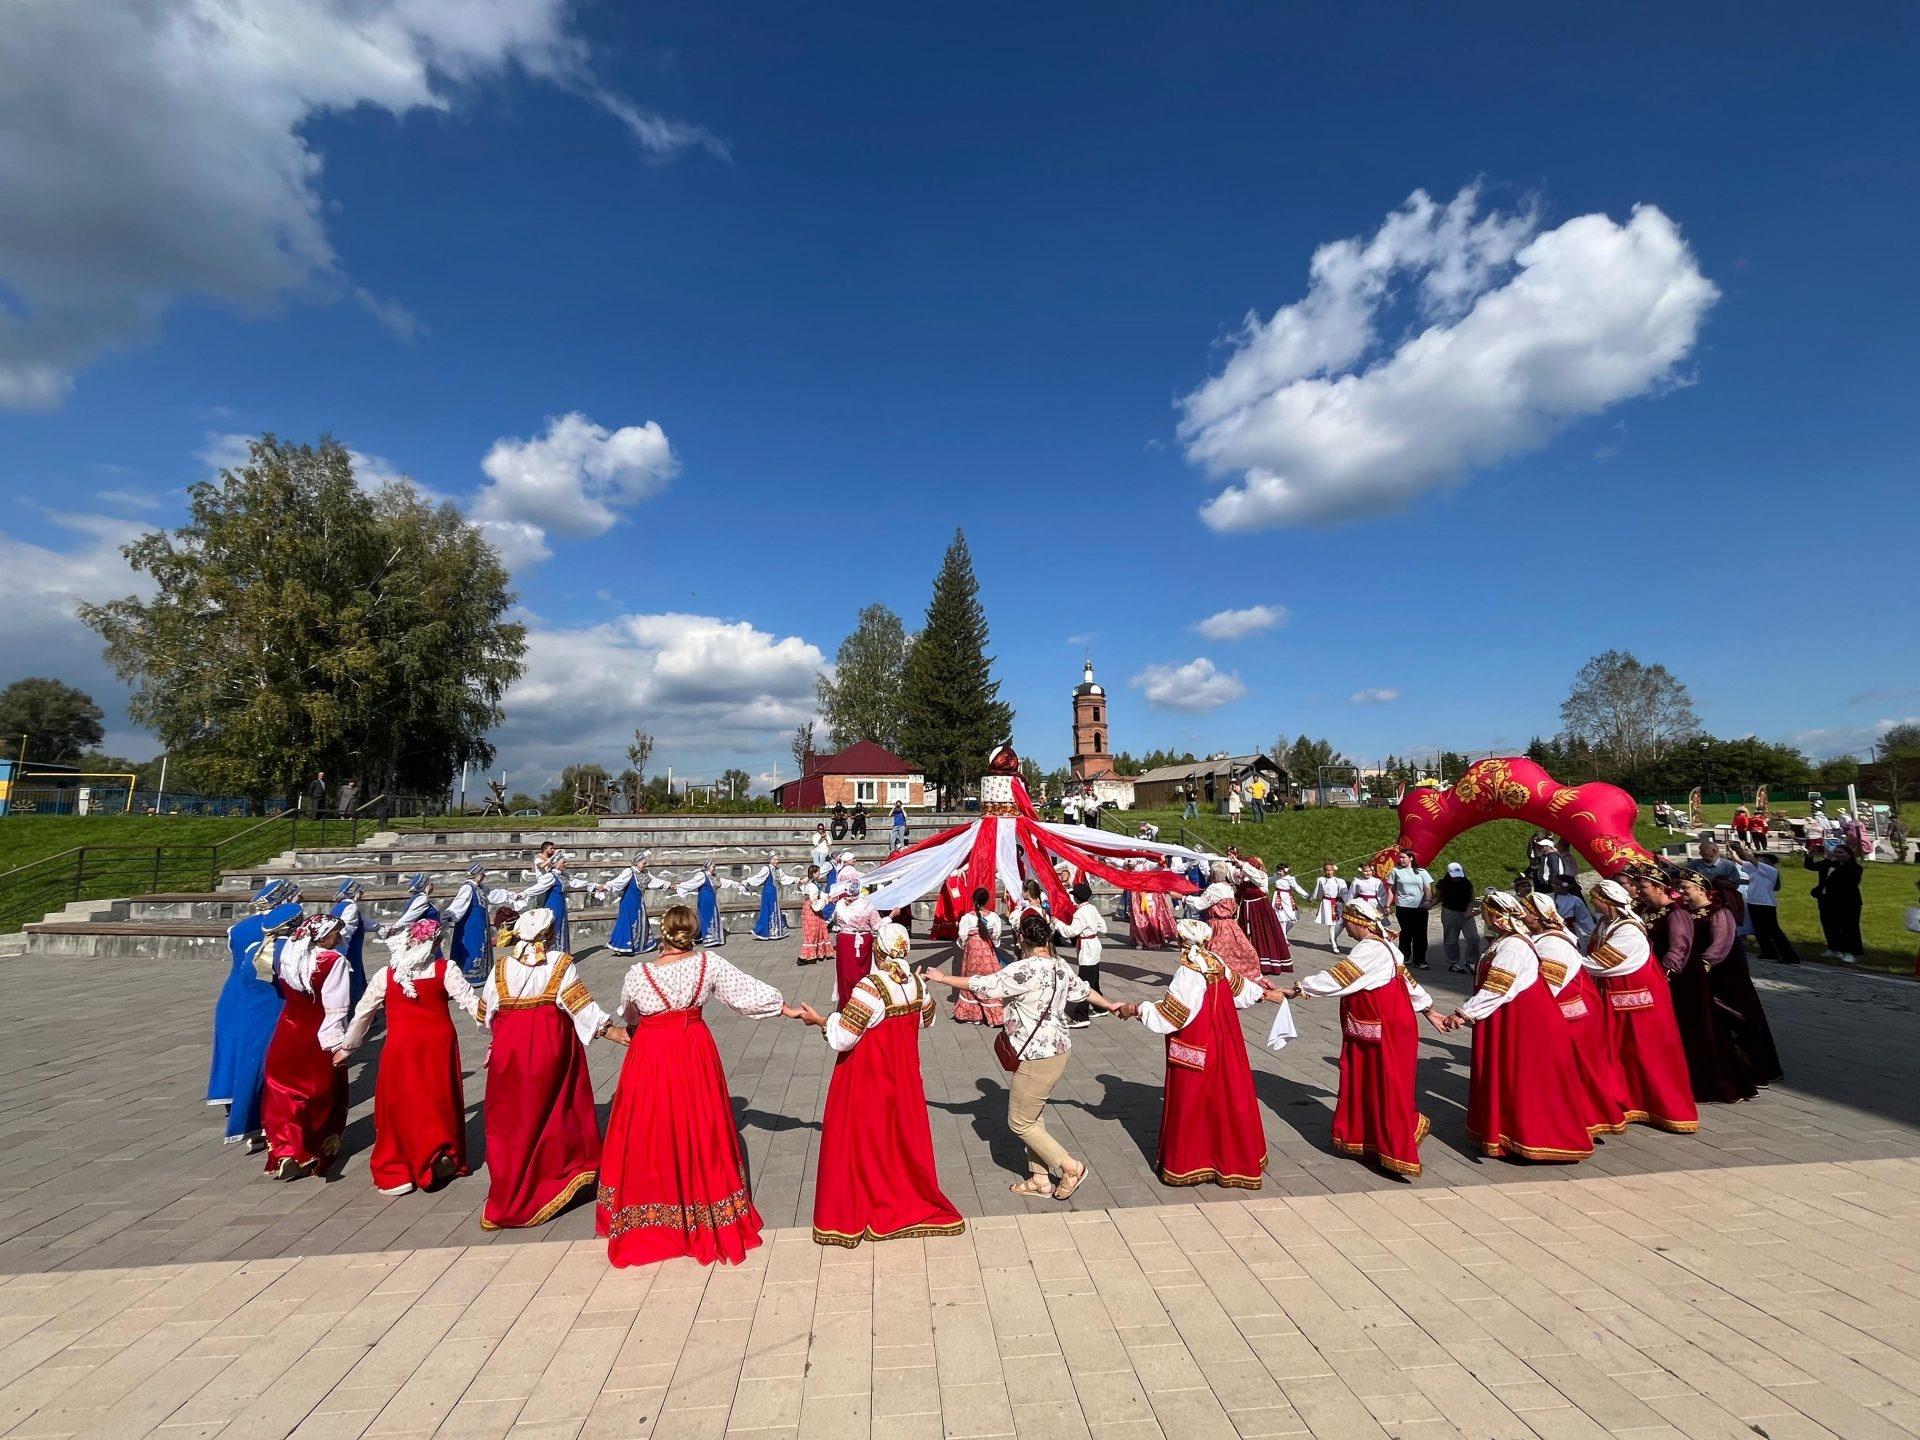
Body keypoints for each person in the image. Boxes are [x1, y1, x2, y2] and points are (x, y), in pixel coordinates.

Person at [598, 905, 815, 1266]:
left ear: (663, 934)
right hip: (692, 1048)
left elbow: (631, 1014)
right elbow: (745, 991)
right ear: (692, 932)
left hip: (649, 1053)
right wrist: (786, 1009)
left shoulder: (638, 973)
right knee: (697, 1123)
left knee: (650, 1127)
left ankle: (652, 1218)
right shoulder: (707, 964)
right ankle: (705, 1209)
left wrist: (629, 1029)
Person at [926, 911, 1108, 1199]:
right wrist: (1112, 1004)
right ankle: (1039, 1179)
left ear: (1022, 938)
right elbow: (1084, 992)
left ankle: (1070, 1167)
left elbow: (982, 985)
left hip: (1037, 1055)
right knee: (1033, 1117)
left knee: (1019, 1122)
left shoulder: (1023, 969)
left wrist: (943, 977)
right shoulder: (1060, 966)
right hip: (1058, 1049)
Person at [810, 922, 967, 1247]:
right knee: (901, 1140)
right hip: (906, 1077)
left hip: (869, 1077)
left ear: (878, 951)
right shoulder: (916, 984)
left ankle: (872, 1201)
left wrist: (822, 1021)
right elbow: (929, 1019)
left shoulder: (871, 988)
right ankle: (904, 1196)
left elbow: (843, 1039)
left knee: (865, 1142)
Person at [479, 908, 623, 1229]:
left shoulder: (501, 967)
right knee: (553, 1114)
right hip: (547, 1049)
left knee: (509, 1121)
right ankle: (552, 1180)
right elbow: (579, 1006)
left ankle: (506, 1194)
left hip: (508, 1054)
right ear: (549, 933)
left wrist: (498, 1040)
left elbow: (485, 1015)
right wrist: (611, 1031)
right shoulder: (559, 964)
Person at [1287, 899, 1449, 1178]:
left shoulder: (1370, 950)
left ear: (1357, 922)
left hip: (1382, 1030)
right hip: (1383, 1028)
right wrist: (1429, 1010)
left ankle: (1398, 1143)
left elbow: (1339, 978)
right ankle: (1377, 1139)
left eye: (1346, 922)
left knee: (1384, 1085)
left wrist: (1301, 988)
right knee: (1375, 1084)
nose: (1345, 928)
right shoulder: (1386, 946)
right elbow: (1409, 982)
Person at [1114, 918, 1278, 1189]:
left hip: (1195, 1047)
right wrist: (1265, 994)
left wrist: (1135, 1009)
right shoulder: (1214, 961)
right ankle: (1231, 1159)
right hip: (1222, 1044)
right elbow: (1239, 987)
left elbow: (1172, 1015)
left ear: (1180, 941)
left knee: (1192, 1103)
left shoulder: (1189, 971)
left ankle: (1191, 1162)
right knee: (1225, 1098)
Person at [340, 918, 481, 1195]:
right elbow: (470, 1002)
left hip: (401, 1046)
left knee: (400, 1101)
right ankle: (439, 1152)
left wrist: (348, 1046)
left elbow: (364, 1013)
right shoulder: (445, 969)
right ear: (436, 943)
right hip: (437, 1045)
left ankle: (399, 1169)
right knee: (438, 1098)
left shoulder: (386, 974)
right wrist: (495, 1028)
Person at [1453, 892, 1595, 1162]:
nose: (1482, 916)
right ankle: (1507, 1135)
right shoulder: (1508, 942)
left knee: (1525, 1078)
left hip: (1524, 1021)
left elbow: (1499, 987)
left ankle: (1537, 1138)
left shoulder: (1516, 946)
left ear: (1495, 916)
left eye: (1484, 912)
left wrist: (1463, 1013)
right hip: (1509, 1018)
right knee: (1510, 1077)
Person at [1583, 879, 1699, 1133]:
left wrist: (1570, 962)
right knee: (1619, 1050)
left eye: (1595, 898)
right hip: (1615, 996)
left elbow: (1604, 962)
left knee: (1645, 1051)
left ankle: (1663, 1106)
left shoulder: (1628, 930)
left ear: (1607, 900)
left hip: (1637, 999)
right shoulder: (1606, 923)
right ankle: (1624, 1099)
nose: (1592, 902)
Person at [1520, 894, 1629, 1137]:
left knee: (1576, 1069)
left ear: (1538, 916)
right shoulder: (1541, 937)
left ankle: (1584, 1120)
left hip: (1571, 1015)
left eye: (1525, 912)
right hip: (1567, 1011)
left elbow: (1548, 984)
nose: (1520, 916)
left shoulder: (1553, 944)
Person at [208, 879, 305, 1150]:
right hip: (269, 998)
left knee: (236, 1053)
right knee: (263, 1057)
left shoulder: (237, 929)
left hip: (234, 996)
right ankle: (259, 1120)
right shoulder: (285, 931)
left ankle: (237, 1107)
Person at [259, 914, 353, 1180]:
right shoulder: (334, 962)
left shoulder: (288, 954)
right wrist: (338, 1044)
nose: (340, 938)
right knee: (317, 1094)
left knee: (282, 1091)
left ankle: (285, 1150)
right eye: (336, 933)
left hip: (287, 1032)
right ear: (322, 936)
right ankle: (308, 1151)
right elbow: (335, 1007)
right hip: (316, 1035)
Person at [1052, 880, 1107, 1027]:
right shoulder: (1092, 909)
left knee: (1084, 981)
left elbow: (1071, 932)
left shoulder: (1080, 913)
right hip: (1094, 943)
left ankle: (1081, 1016)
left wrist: (1057, 923)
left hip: (1087, 946)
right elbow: (1103, 926)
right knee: (1093, 975)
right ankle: (1100, 1006)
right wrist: (1092, 930)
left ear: (1076, 897)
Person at [1196, 864, 1262, 982]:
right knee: (1238, 950)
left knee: (1215, 953)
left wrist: (1183, 898)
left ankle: (1215, 978)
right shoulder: (1228, 886)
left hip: (1217, 925)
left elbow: (1200, 904)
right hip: (1230, 925)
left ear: (1213, 874)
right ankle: (1236, 976)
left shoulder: (1214, 888)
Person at [951, 888, 1006, 1024]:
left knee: (971, 981)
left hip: (972, 955)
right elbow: (996, 937)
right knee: (991, 981)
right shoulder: (994, 917)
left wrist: (968, 945)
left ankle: (973, 1015)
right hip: (988, 954)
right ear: (987, 900)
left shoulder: (967, 918)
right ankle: (994, 1017)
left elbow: (962, 937)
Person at [1805, 844, 1864, 963]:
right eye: (1836, 852)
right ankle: (1833, 948)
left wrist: (1836, 865)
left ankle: (1850, 952)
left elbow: (1849, 881)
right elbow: (1811, 866)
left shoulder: (1855, 868)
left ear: (1849, 854)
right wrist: (1809, 856)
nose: (1837, 855)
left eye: (1841, 853)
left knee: (1849, 927)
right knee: (1829, 925)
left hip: (1847, 901)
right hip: (1826, 899)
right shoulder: (1827, 863)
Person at [605, 852, 668, 956]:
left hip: (639, 903)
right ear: (637, 863)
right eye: (644, 862)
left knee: (640, 923)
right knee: (626, 923)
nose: (645, 864)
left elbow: (653, 881)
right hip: (628, 903)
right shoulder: (629, 872)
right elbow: (618, 882)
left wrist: (667, 884)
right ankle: (622, 946)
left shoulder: (644, 873)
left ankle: (638, 946)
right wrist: (606, 886)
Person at [1742, 849, 1798, 963]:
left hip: (1766, 903)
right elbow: (1742, 862)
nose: (1758, 859)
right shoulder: (1756, 870)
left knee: (1773, 930)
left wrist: (1744, 849)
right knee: (1759, 930)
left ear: (1767, 861)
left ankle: (1789, 956)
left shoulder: (1771, 870)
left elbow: (1750, 859)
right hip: (1753, 902)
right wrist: (1732, 852)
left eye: (1761, 858)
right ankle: (1769, 952)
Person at [831, 882, 881, 1006]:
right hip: (862, 941)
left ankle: (846, 1002)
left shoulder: (840, 904)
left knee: (845, 973)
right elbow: (877, 925)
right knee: (862, 971)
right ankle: (863, 1001)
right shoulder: (867, 905)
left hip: (844, 940)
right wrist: (890, 916)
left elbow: (833, 919)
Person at [443, 861, 493, 983]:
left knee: (480, 947)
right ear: (478, 875)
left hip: (480, 925)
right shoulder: (467, 888)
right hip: (470, 925)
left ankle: (480, 975)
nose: (484, 876)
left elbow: (494, 895)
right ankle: (468, 977)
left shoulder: (480, 888)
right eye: (483, 874)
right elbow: (460, 903)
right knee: (472, 948)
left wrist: (513, 896)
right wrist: (450, 914)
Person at [1386, 849, 1434, 970]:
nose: (1400, 860)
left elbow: (1427, 888)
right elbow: (1391, 890)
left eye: (1403, 857)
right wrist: (1386, 906)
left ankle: (1419, 960)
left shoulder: (1422, 872)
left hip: (1420, 907)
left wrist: (1428, 900)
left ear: (1411, 858)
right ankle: (1404, 956)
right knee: (1406, 932)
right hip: (1403, 906)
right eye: (1400, 858)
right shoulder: (1395, 871)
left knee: (1420, 934)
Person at [675, 860, 736, 947]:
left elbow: (723, 882)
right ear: (708, 867)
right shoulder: (702, 875)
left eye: (714, 867)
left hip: (711, 900)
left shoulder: (713, 877)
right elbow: (692, 883)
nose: (714, 868)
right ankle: (708, 937)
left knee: (710, 916)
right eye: (713, 867)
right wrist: (680, 886)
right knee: (706, 917)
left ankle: (707, 936)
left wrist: (736, 884)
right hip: (705, 899)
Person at [328, 879, 370, 1002]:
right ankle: (353, 1013)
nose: (362, 895)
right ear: (356, 893)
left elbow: (364, 923)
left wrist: (381, 928)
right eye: (361, 892)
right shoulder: (351, 907)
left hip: (350, 950)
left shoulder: (338, 907)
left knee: (357, 978)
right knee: (352, 980)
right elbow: (346, 929)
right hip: (349, 950)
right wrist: (340, 949)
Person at [1435, 862, 1481, 974]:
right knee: (1451, 939)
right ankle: (1453, 962)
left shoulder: (1466, 883)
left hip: (1466, 914)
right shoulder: (1442, 884)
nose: (1457, 879)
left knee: (1474, 938)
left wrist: (1469, 910)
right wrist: (1428, 905)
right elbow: (1437, 898)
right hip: (1449, 913)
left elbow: (1471, 899)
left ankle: (1471, 961)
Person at [746, 852, 800, 941]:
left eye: (777, 859)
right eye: (775, 859)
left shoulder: (778, 870)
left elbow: (784, 878)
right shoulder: (766, 869)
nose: (777, 861)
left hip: (774, 893)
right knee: (767, 911)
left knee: (774, 910)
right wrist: (748, 881)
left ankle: (774, 932)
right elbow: (758, 878)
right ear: (770, 860)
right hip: (768, 893)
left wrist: (796, 879)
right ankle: (762, 931)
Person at [379, 873, 437, 938]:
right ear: (426, 886)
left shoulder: (417, 897)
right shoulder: (422, 899)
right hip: (424, 937)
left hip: (430, 936)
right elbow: (411, 915)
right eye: (430, 884)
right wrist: (395, 927)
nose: (432, 886)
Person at [797, 865, 834, 965]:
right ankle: (806, 956)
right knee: (812, 932)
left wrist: (828, 896)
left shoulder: (813, 883)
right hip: (811, 910)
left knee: (819, 929)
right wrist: (826, 900)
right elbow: (815, 903)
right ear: (814, 873)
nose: (819, 873)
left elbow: (819, 893)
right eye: (818, 872)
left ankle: (819, 952)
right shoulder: (812, 886)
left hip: (813, 910)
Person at [1311, 862, 1347, 952]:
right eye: (1327, 870)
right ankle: (1334, 945)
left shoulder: (1339, 881)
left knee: (1339, 922)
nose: (1329, 872)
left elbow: (1344, 893)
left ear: (1334, 870)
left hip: (1336, 902)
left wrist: (1348, 902)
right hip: (1326, 902)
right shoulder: (1321, 880)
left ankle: (1333, 938)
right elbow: (1317, 891)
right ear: (1324, 871)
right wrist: (1311, 898)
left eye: (1331, 870)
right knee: (1331, 924)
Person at [1551, 874, 1596, 945]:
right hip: (1552, 928)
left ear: (1566, 885)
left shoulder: (1575, 900)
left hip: (1569, 929)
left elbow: (1584, 918)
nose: (1554, 886)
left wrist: (1592, 932)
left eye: (1558, 884)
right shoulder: (1548, 897)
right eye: (1554, 884)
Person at [931, 868, 967, 941]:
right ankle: (944, 933)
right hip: (949, 883)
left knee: (958, 907)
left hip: (958, 883)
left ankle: (955, 931)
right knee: (946, 907)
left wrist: (961, 870)